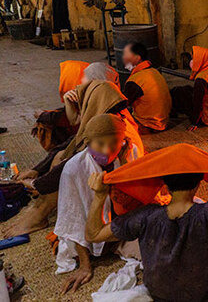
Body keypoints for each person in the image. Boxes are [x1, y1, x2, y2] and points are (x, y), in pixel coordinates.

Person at [85, 150, 208, 301]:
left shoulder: (145, 216)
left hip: (161, 296)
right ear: (198, 184)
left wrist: (100, 196)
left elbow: (93, 234)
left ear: (165, 186)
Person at [7, 80, 143, 237]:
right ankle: (43, 205)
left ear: (92, 101)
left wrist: (36, 184)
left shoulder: (112, 128)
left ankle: (40, 213)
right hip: (105, 179)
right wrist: (36, 170)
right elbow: (72, 142)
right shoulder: (106, 113)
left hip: (118, 194)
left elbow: (74, 160)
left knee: (67, 172)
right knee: (61, 156)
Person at [54, 114, 140, 294]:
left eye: (114, 143)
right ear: (88, 141)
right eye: (100, 144)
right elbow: (74, 219)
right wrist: (85, 266)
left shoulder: (130, 151)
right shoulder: (74, 169)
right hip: (92, 234)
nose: (108, 150)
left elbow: (138, 198)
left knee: (158, 252)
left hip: (120, 229)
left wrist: (124, 164)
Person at [170, 46, 208, 131]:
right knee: (187, 89)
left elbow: (198, 102)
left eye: (194, 58)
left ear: (202, 59)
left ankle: (172, 113)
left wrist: (195, 122)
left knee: (179, 93)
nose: (192, 61)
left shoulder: (202, 78)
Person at [121, 42, 172, 134]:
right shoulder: (154, 72)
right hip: (163, 122)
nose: (124, 58)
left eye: (127, 55)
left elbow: (122, 104)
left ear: (137, 58)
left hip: (148, 125)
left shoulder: (136, 80)